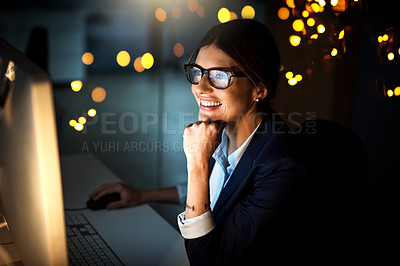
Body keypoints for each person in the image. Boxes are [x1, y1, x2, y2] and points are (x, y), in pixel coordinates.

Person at [90, 19, 305, 265]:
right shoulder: (224, 128)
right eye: (198, 72)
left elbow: (207, 260)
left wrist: (197, 163)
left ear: (259, 89)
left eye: (220, 76)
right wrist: (142, 195)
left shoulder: (281, 167)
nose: (200, 87)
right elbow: (217, 191)